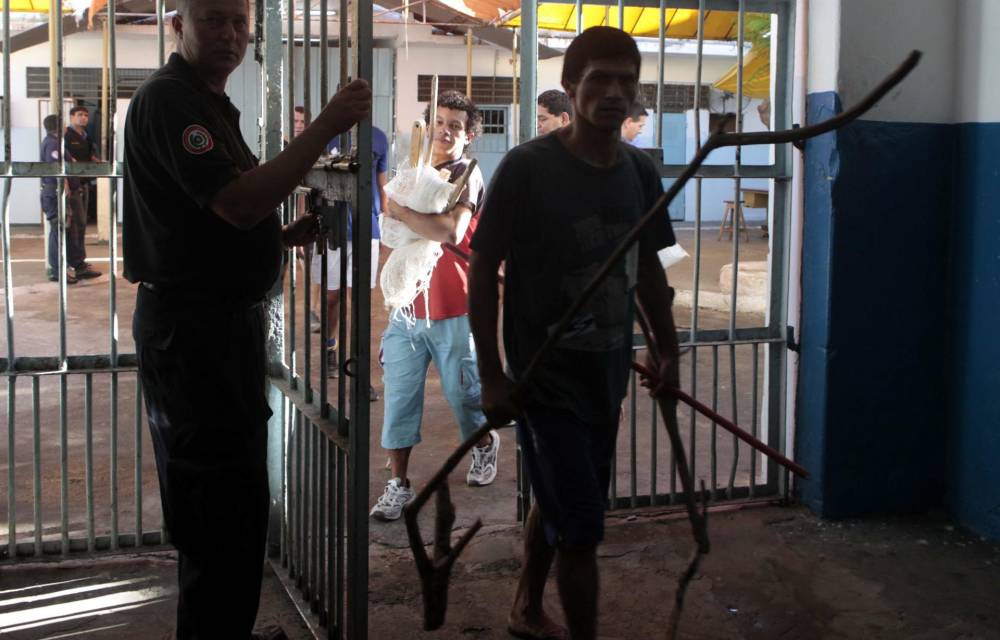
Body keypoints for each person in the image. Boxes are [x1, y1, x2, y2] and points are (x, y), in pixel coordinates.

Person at [122, 0, 371, 637]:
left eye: (240, 20)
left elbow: (202, 221)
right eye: (213, 19)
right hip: (194, 335)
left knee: (234, 503)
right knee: (217, 510)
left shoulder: (207, 101)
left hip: (214, 329)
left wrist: (277, 240)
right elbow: (235, 203)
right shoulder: (171, 100)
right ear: (179, 24)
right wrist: (325, 127)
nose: (231, 34)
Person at [468, 27, 679, 640]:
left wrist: (667, 349)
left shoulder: (639, 173)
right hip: (544, 378)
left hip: (605, 374)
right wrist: (490, 374)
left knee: (561, 498)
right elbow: (484, 270)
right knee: (583, 525)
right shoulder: (528, 168)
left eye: (626, 82)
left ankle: (526, 608)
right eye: (599, 80)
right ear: (570, 87)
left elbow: (650, 275)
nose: (614, 93)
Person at [370, 90, 498, 522]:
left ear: (470, 135)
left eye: (456, 126)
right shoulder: (415, 169)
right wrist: (400, 214)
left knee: (465, 398)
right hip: (408, 308)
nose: (446, 130)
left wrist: (403, 212)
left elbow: (448, 229)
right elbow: (390, 224)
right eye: (439, 122)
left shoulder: (468, 175)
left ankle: (483, 444)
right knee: (400, 400)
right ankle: (398, 484)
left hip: (453, 308)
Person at [311, 126, 389, 405]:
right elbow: (313, 182)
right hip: (333, 226)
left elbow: (382, 185)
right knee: (332, 297)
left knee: (359, 303)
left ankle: (360, 374)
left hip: (367, 229)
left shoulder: (378, 137)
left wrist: (386, 225)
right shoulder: (326, 135)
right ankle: (330, 347)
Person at [63, 105, 102, 279]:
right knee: (75, 226)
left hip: (83, 184)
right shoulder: (66, 135)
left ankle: (79, 262)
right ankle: (77, 264)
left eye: (86, 115)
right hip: (71, 186)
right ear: (71, 117)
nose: (84, 118)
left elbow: (92, 155)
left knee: (81, 224)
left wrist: (96, 160)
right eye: (79, 115)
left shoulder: (86, 137)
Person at [40, 115, 77, 284]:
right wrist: (65, 188)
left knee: (60, 230)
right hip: (55, 194)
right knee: (58, 231)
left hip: (55, 193)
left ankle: (61, 268)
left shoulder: (52, 142)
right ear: (58, 127)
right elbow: (56, 170)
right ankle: (57, 271)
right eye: (63, 125)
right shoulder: (53, 144)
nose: (66, 128)